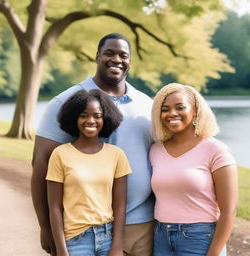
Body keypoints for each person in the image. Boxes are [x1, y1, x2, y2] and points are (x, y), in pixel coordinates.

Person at [31, 33, 154, 256]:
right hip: (86, 228)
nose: (116, 59)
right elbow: (40, 164)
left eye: (123, 55)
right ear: (97, 56)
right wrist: (45, 227)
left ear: (130, 61)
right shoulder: (67, 101)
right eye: (109, 53)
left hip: (143, 224)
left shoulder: (147, 105)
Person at [150, 83, 238, 256]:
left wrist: (214, 253)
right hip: (161, 237)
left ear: (196, 110)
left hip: (200, 237)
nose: (172, 114)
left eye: (180, 107)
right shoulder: (155, 150)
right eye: (165, 109)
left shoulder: (215, 149)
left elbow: (229, 209)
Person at [46, 89, 131, 256]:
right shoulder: (60, 154)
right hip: (76, 239)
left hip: (108, 237)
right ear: (74, 118)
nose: (91, 120)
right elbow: (54, 208)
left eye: (97, 116)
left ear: (105, 118)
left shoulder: (117, 155)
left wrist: (117, 246)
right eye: (84, 115)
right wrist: (61, 250)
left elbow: (120, 205)